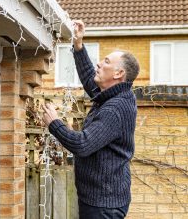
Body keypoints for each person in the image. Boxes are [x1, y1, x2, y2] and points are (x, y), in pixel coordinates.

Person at [42, 20, 140, 219]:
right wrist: (78, 46)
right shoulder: (112, 94)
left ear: (119, 73)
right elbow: (90, 79)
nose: (99, 63)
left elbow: (83, 144)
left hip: (104, 204)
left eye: (106, 62)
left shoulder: (116, 108)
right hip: (99, 197)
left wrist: (54, 123)